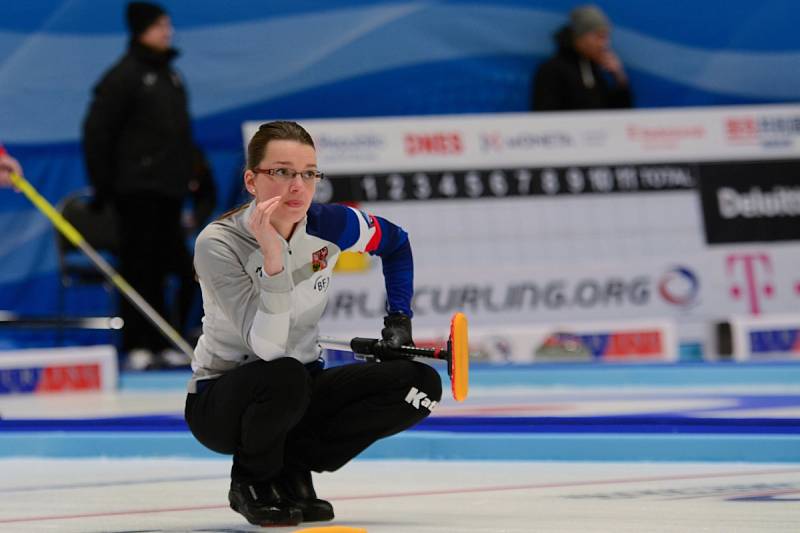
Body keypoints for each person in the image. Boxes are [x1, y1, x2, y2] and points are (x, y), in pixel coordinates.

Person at [184, 121, 442, 527]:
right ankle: (251, 479)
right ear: (252, 181)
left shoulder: (332, 224)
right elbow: (268, 348)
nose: (298, 186)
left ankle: (293, 464)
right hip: (223, 403)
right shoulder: (219, 243)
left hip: (298, 389)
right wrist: (273, 258)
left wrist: (398, 320)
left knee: (418, 386)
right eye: (282, 172)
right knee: (283, 372)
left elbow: (396, 244)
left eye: (308, 173)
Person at [82, 2, 196, 369]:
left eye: (168, 24)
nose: (169, 31)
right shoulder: (123, 77)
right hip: (135, 193)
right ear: (141, 29)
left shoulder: (171, 77)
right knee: (139, 268)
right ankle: (136, 344)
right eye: (161, 25)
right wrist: (105, 188)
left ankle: (168, 338)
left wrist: (188, 178)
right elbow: (97, 134)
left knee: (177, 268)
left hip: (168, 193)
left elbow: (179, 136)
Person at [531, 4, 633, 111]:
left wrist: (619, 78)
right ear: (579, 37)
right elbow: (544, 117)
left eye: (606, 37)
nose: (604, 44)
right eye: (599, 36)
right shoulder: (550, 71)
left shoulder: (595, 70)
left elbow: (620, 115)